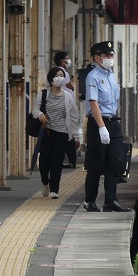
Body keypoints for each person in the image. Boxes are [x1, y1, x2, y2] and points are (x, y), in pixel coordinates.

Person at [83, 40, 131, 212]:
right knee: (96, 163)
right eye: (107, 55)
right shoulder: (93, 77)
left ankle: (111, 200)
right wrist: (101, 127)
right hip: (99, 123)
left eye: (111, 55)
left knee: (116, 161)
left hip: (113, 121)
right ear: (97, 57)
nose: (110, 58)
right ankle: (90, 200)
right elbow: (94, 103)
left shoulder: (111, 75)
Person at [33, 67, 81, 199]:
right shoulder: (42, 94)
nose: (59, 78)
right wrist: (41, 115)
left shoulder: (68, 97)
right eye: (57, 75)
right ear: (50, 78)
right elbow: (35, 110)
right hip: (47, 132)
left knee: (57, 161)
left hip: (62, 132)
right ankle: (45, 182)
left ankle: (55, 189)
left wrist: (75, 136)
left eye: (61, 75)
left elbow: (73, 116)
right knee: (43, 162)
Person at [53, 50, 78, 168]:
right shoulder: (62, 72)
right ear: (62, 61)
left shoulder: (62, 72)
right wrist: (71, 86)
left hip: (65, 105)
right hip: (65, 107)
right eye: (67, 58)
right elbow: (68, 85)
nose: (68, 61)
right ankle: (67, 159)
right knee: (67, 133)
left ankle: (67, 159)